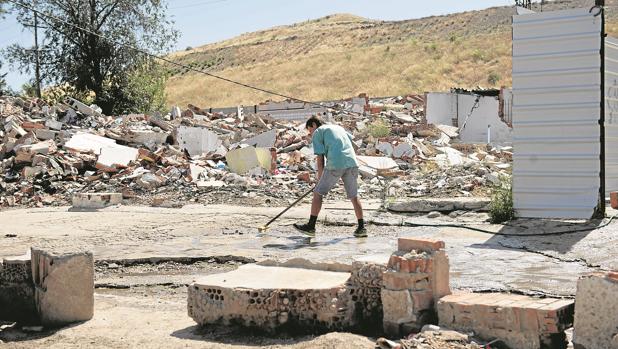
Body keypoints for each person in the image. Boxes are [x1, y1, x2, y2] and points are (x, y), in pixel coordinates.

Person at [293, 116, 367, 238]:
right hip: (352, 162)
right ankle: (361, 228)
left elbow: (320, 158)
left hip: (336, 163)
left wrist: (319, 179)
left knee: (318, 193)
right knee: (354, 196)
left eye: (309, 130)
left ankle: (311, 226)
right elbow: (353, 145)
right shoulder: (338, 128)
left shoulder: (318, 132)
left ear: (313, 125)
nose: (310, 133)